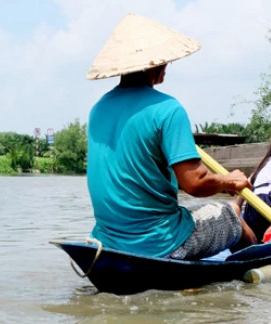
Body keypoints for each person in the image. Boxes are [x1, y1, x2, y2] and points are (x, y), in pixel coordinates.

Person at [86, 13, 256, 260]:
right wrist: (229, 181)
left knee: (191, 213)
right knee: (231, 215)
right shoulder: (167, 109)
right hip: (160, 244)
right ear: (157, 64)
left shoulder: (97, 110)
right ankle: (257, 272)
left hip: (107, 242)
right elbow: (195, 183)